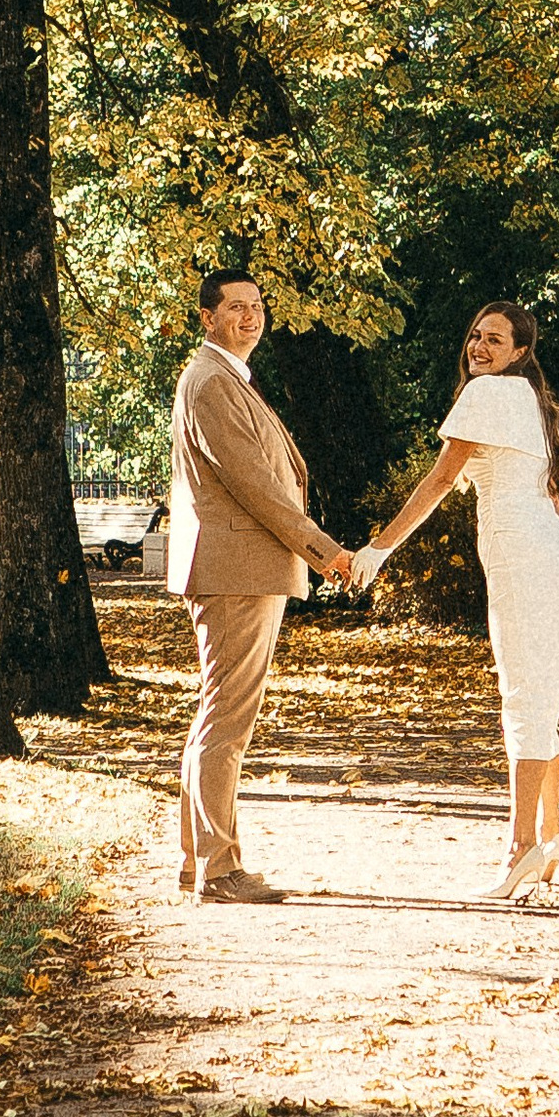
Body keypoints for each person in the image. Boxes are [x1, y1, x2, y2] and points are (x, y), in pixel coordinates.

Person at [355, 299, 559, 900]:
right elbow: (550, 496)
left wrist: (378, 550)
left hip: (523, 553)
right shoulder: (527, 400)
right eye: (476, 336)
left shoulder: (488, 395)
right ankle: (551, 835)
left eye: (496, 341)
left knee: (524, 697)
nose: (479, 348)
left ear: (520, 353)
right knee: (540, 692)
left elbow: (438, 479)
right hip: (548, 552)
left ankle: (522, 846)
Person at [168, 269, 357, 903]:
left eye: (257, 306)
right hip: (236, 572)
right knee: (226, 719)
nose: (251, 317)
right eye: (236, 308)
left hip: (241, 569)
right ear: (207, 319)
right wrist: (326, 551)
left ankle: (202, 863)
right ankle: (219, 871)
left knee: (218, 717)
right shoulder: (210, 381)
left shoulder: (225, 379)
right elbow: (257, 487)